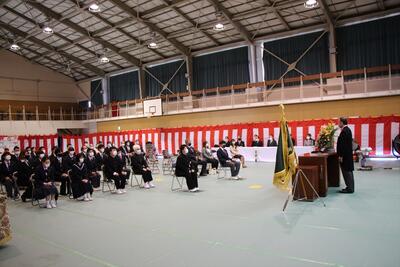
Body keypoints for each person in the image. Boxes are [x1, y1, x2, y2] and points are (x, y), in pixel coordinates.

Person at [337, 117, 355, 193]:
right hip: (347, 155)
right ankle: (350, 187)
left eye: (338, 122)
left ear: (342, 122)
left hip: (345, 156)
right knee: (348, 171)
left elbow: (343, 145)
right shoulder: (347, 130)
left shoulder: (345, 131)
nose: (338, 124)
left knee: (347, 172)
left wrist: (341, 155)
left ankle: (349, 188)